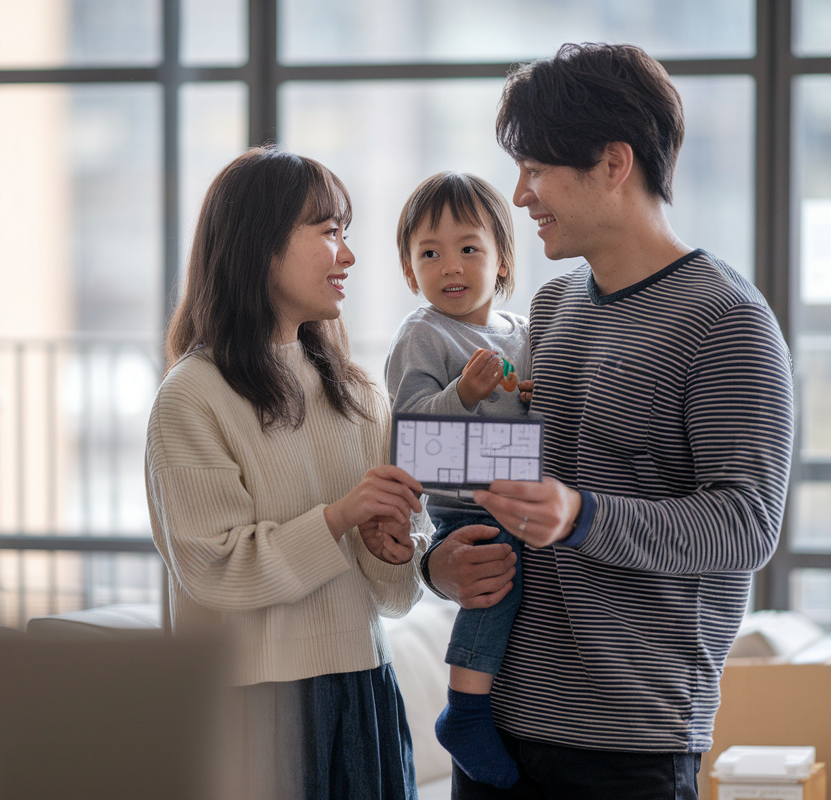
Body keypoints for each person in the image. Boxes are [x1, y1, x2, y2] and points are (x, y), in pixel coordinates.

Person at [422, 42, 796, 799]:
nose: (520, 197)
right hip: (495, 728)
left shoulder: (727, 322)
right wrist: (440, 564)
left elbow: (746, 526)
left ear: (614, 164)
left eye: (536, 170)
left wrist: (581, 515)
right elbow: (501, 478)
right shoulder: (551, 308)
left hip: (629, 742)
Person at [145, 146, 432, 800]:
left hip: (365, 687)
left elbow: (397, 596)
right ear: (260, 243)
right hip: (252, 707)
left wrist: (396, 548)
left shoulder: (360, 393)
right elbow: (214, 568)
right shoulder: (193, 395)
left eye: (346, 234)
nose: (349, 257)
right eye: (330, 232)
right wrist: (339, 519)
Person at [383, 171, 530, 789]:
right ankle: (465, 709)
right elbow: (412, 436)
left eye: (470, 248)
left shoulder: (520, 331)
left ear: (501, 261)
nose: (452, 265)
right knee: (497, 581)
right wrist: (462, 394)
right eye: (430, 252)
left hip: (517, 494)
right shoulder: (423, 334)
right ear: (411, 272)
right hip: (466, 506)